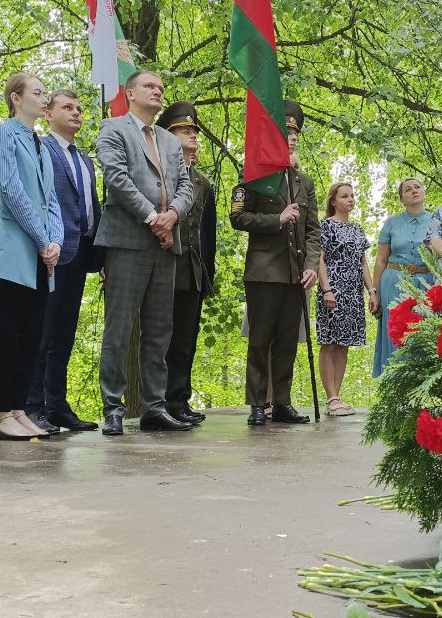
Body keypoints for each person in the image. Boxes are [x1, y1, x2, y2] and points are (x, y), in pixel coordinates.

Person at [95, 70, 194, 436]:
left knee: (159, 331)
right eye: (150, 86)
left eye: (161, 88)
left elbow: (186, 185)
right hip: (127, 242)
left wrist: (172, 216)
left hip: (165, 246)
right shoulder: (113, 129)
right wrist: (154, 217)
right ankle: (113, 408)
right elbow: (116, 179)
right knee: (119, 327)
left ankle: (154, 406)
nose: (158, 92)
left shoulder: (169, 141)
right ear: (130, 92)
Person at [0, 74, 64, 440]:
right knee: (8, 331)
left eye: (45, 93)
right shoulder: (3, 133)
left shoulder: (43, 145)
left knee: (32, 334)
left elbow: (52, 200)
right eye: (38, 92)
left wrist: (56, 241)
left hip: (42, 254)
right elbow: (12, 190)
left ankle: (18, 409)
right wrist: (43, 238)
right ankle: (0, 414)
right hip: (15, 248)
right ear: (16, 98)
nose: (44, 98)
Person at [230, 99, 322, 427]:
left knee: (286, 341)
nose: (293, 138)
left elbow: (313, 231)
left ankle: (282, 402)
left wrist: (312, 264)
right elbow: (238, 218)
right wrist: (277, 219)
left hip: (296, 274)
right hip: (264, 271)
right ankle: (258, 403)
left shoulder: (304, 183)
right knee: (260, 340)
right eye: (287, 132)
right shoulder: (254, 174)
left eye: (296, 133)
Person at [25, 89, 103, 433]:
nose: (76, 113)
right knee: (42, 332)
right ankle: (32, 406)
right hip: (50, 253)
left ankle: (57, 405)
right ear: (49, 113)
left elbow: (93, 208)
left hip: (81, 252)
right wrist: (44, 242)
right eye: (67, 107)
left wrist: (100, 254)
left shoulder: (85, 159)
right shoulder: (40, 148)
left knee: (64, 335)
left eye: (79, 108)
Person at [158, 101, 216, 426]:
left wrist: (208, 273)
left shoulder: (202, 183)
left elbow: (208, 233)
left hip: (193, 270)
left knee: (186, 341)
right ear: (168, 135)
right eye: (185, 130)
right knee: (163, 340)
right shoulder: (160, 174)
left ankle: (179, 400)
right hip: (166, 268)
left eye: (193, 130)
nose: (192, 134)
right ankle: (162, 401)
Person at [316, 182, 373, 416]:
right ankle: (331, 398)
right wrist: (327, 288)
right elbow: (319, 259)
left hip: (353, 292)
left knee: (343, 344)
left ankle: (336, 397)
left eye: (352, 196)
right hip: (332, 290)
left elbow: (363, 263)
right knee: (329, 342)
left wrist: (372, 291)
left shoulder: (358, 229)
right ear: (333, 201)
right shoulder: (325, 226)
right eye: (344, 196)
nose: (350, 199)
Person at [371, 177, 433, 378]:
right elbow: (380, 260)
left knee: (424, 334)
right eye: (407, 189)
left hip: (426, 284)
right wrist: (374, 292)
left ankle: (421, 392)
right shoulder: (391, 223)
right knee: (396, 335)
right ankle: (395, 386)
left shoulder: (437, 221)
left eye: (417, 187)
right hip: (394, 283)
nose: (414, 191)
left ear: (424, 192)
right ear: (402, 199)